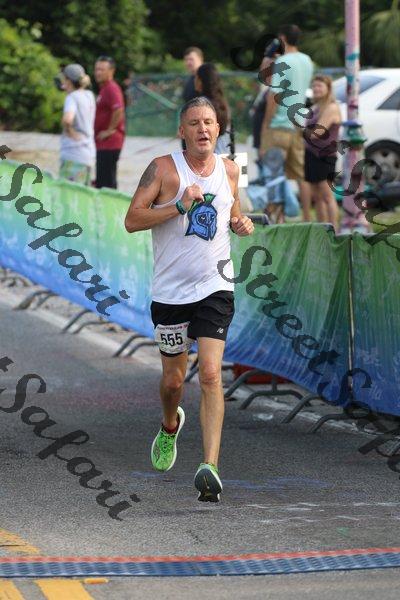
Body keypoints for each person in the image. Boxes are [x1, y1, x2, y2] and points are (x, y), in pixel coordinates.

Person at [124, 96, 254, 503]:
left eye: (209, 122)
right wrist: (177, 206)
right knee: (173, 381)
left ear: (218, 129)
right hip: (171, 294)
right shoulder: (163, 168)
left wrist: (241, 223)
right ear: (182, 131)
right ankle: (169, 425)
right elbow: (132, 219)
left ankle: (210, 467)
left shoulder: (231, 169)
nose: (203, 129)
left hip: (216, 286)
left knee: (212, 374)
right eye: (194, 123)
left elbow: (235, 213)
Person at [260, 24, 313, 221]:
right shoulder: (307, 61)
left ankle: (275, 218)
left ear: (282, 38)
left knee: (274, 174)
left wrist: (266, 125)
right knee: (300, 176)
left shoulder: (283, 61)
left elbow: (273, 96)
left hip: (279, 124)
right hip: (298, 123)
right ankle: (307, 217)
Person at [304, 74, 341, 231]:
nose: (316, 89)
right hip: (311, 155)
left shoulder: (331, 107)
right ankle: (322, 230)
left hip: (325, 156)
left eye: (319, 86)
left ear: (328, 88)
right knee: (317, 196)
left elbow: (316, 133)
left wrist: (300, 132)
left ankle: (334, 230)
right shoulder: (315, 107)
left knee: (327, 195)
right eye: (314, 86)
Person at [59, 64, 95, 186]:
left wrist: (70, 132)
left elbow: (67, 119)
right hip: (88, 156)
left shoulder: (72, 97)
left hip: (73, 156)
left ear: (68, 81)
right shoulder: (89, 95)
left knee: (67, 195)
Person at [94, 56, 125, 189]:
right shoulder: (104, 88)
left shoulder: (112, 88)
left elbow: (118, 109)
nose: (98, 72)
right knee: (101, 180)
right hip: (103, 143)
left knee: (107, 183)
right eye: (96, 69)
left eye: (102, 69)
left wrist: (110, 130)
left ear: (111, 71)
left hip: (110, 143)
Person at [194, 63, 231, 154]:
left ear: (201, 81)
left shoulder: (201, 104)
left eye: (196, 77)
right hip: (225, 153)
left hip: (210, 156)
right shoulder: (222, 103)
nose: (194, 80)